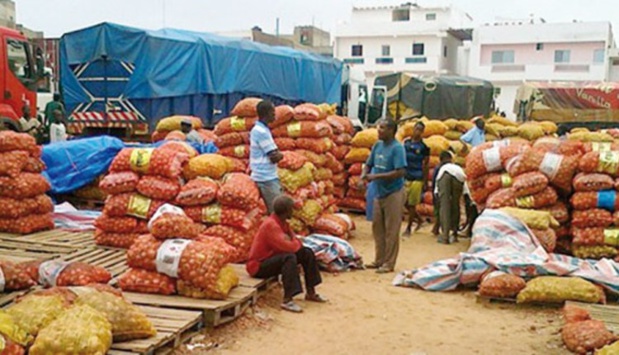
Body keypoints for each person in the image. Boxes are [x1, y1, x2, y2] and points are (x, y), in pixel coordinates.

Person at [246, 195, 326, 313]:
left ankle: (311, 291)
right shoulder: (271, 225)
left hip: (272, 258)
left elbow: (295, 241)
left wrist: (294, 242)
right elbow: (290, 246)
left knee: (306, 253)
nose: (293, 212)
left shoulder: (283, 223)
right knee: (289, 257)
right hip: (258, 266)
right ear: (286, 211)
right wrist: (294, 242)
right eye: (291, 209)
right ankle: (287, 299)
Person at [361, 119, 407, 274]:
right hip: (379, 192)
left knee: (391, 230)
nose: (379, 131)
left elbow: (400, 172)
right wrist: (364, 174)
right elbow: (368, 164)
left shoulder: (397, 148)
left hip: (393, 192)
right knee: (377, 228)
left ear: (391, 131)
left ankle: (388, 263)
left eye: (383, 128)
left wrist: (376, 177)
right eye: (378, 127)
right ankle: (379, 259)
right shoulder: (377, 146)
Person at [250, 100, 283, 214]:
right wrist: (281, 155)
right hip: (265, 178)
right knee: (278, 212)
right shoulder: (261, 132)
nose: (275, 115)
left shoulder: (262, 129)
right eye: (273, 112)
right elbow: (274, 156)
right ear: (266, 113)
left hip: (264, 175)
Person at [402, 121, 429, 236]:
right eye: (415, 129)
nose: (417, 131)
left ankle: (408, 228)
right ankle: (420, 219)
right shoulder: (406, 143)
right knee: (404, 202)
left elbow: (426, 165)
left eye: (419, 130)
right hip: (405, 175)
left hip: (417, 177)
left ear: (422, 132)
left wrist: (425, 180)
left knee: (412, 204)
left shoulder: (424, 147)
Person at [434, 151, 468, 244]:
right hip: (459, 177)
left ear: (440, 160)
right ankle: (455, 234)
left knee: (444, 206)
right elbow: (465, 187)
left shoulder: (441, 168)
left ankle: (445, 236)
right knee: (455, 205)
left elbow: (436, 189)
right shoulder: (458, 167)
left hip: (445, 176)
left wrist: (437, 199)